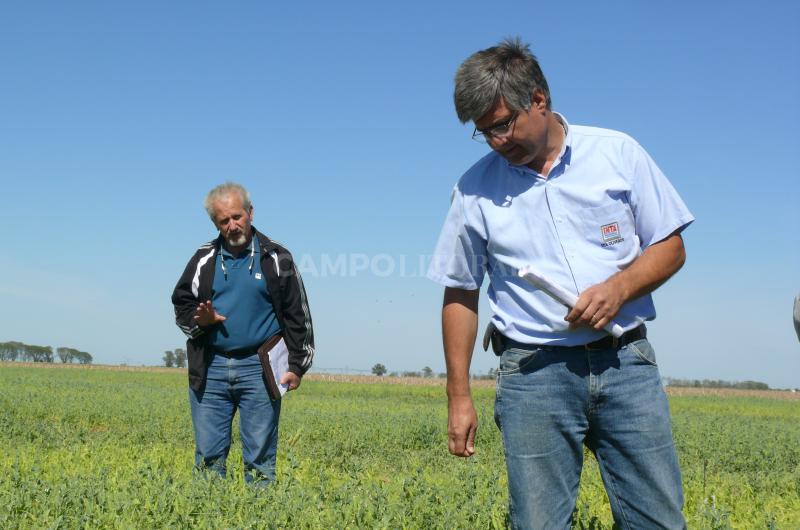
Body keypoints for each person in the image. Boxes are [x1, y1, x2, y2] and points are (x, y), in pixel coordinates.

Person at [428, 38, 693, 529]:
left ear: (539, 100)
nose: (496, 142)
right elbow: (460, 291)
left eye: (503, 124)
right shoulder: (473, 190)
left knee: (657, 520)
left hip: (626, 364)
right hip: (533, 374)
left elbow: (670, 247)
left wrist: (620, 288)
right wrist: (458, 395)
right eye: (483, 132)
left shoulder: (618, 154)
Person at [172, 182, 314, 484]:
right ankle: (208, 516)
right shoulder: (203, 259)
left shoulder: (278, 257)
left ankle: (258, 517)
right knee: (208, 459)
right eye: (224, 220)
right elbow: (181, 305)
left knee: (260, 462)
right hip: (211, 367)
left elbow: (297, 315)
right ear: (215, 223)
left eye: (237, 216)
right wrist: (202, 321)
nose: (232, 225)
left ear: (250, 213)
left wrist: (297, 366)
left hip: (259, 368)